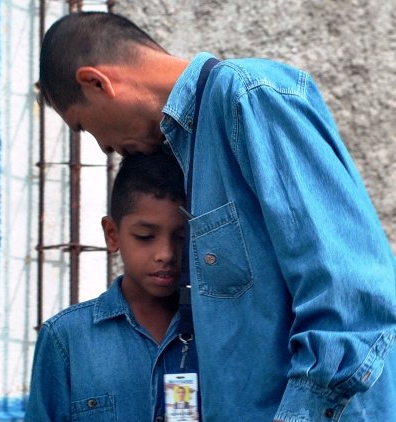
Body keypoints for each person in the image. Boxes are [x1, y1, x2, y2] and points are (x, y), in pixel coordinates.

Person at [39, 11, 396, 421]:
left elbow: (351, 296)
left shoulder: (250, 96)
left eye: (83, 126)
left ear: (97, 83)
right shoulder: (194, 151)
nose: (104, 147)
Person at [25, 151, 198, 421]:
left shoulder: (213, 332)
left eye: (180, 237)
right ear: (112, 234)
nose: (166, 253)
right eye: (145, 236)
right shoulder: (66, 338)